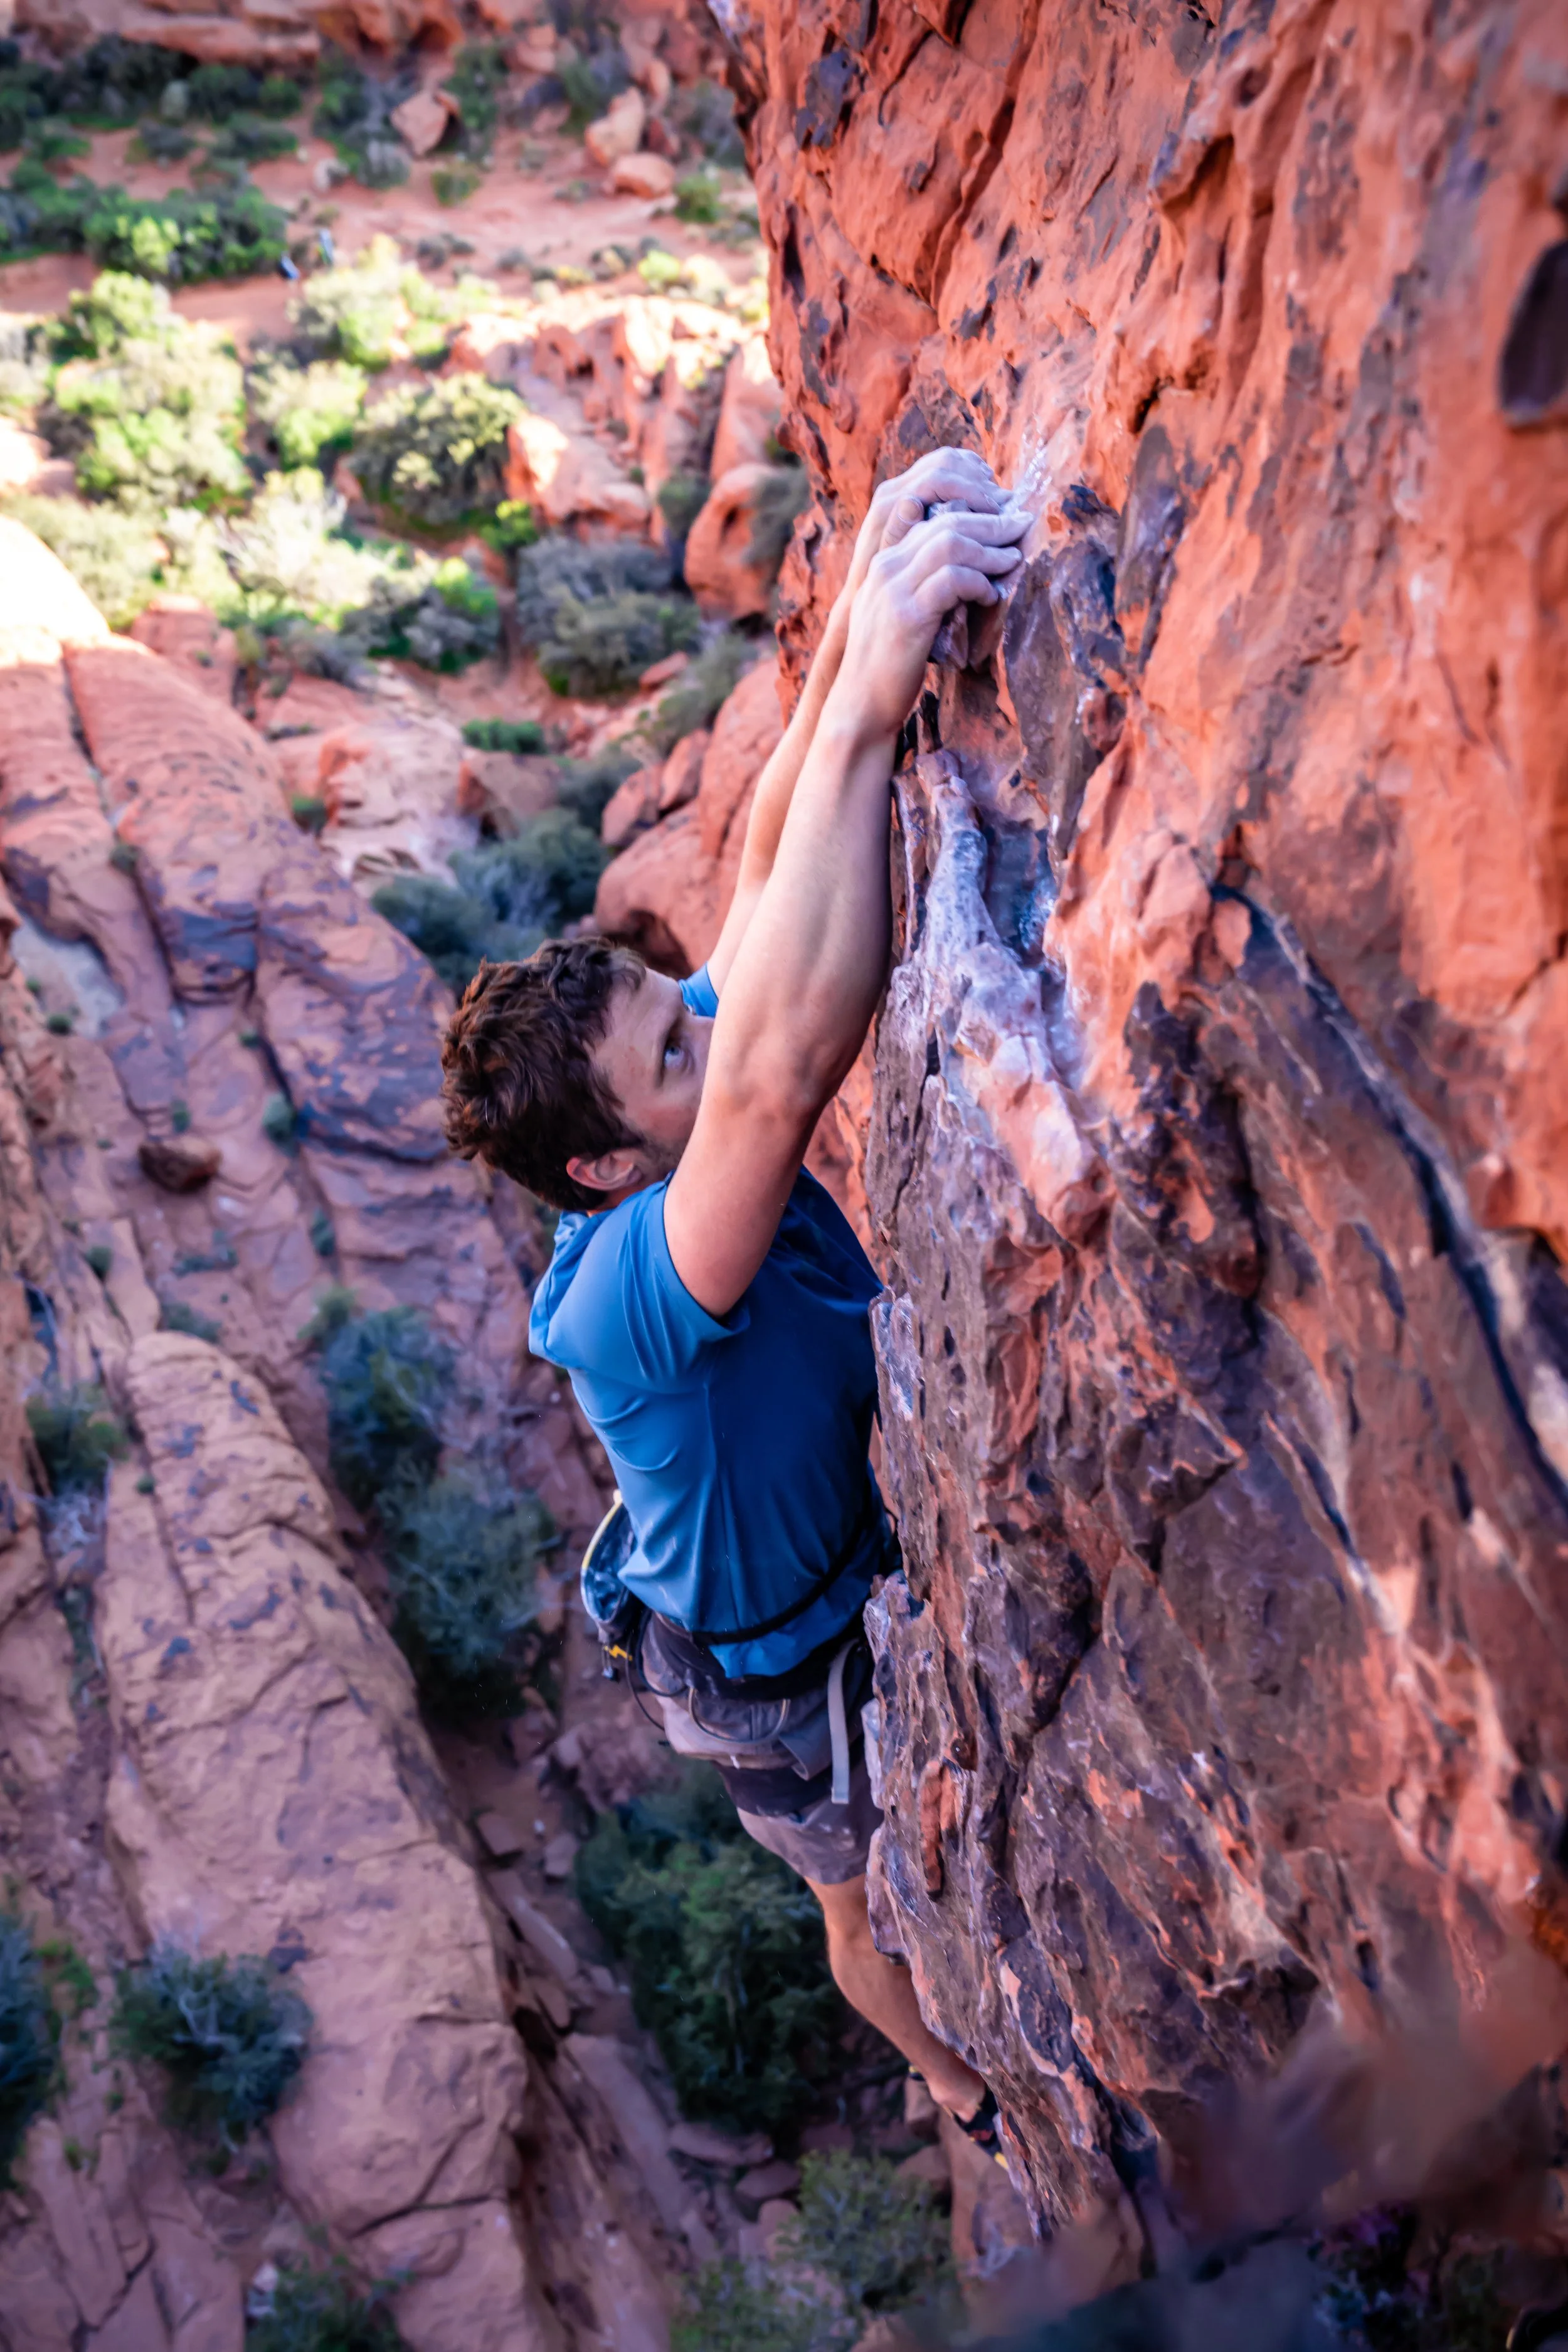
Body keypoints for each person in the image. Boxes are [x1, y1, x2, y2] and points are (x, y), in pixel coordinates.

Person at [441, 448, 1026, 2132]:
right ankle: (947, 2083)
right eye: (664, 1050)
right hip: (767, 1663)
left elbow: (764, 872)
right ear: (606, 1168)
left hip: (827, 1550)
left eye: (676, 1017)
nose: (700, 1025)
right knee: (852, 1904)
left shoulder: (658, 1137)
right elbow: (778, 1071)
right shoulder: (628, 1289)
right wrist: (863, 705)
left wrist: (858, 626)